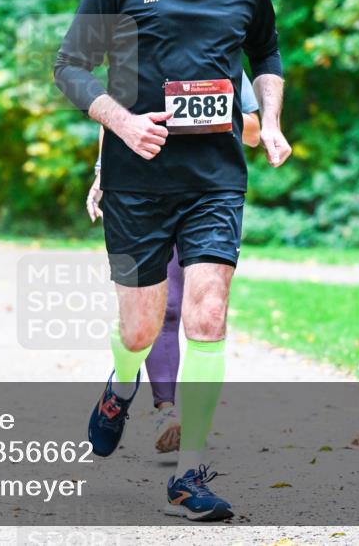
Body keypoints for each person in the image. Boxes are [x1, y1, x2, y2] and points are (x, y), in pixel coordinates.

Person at [55, 0, 292, 522]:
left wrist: (268, 121)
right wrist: (123, 123)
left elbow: (265, 52)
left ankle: (190, 472)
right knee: (138, 328)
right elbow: (71, 66)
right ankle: (119, 384)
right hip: (138, 181)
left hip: (215, 178)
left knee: (207, 317)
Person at [87, 70, 262, 455]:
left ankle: (188, 455)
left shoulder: (225, 56)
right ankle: (148, 401)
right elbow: (113, 117)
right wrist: (103, 173)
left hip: (207, 195)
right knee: (157, 314)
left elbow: (252, 130)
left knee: (205, 314)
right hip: (145, 195)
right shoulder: (143, 50)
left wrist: (210, 115)